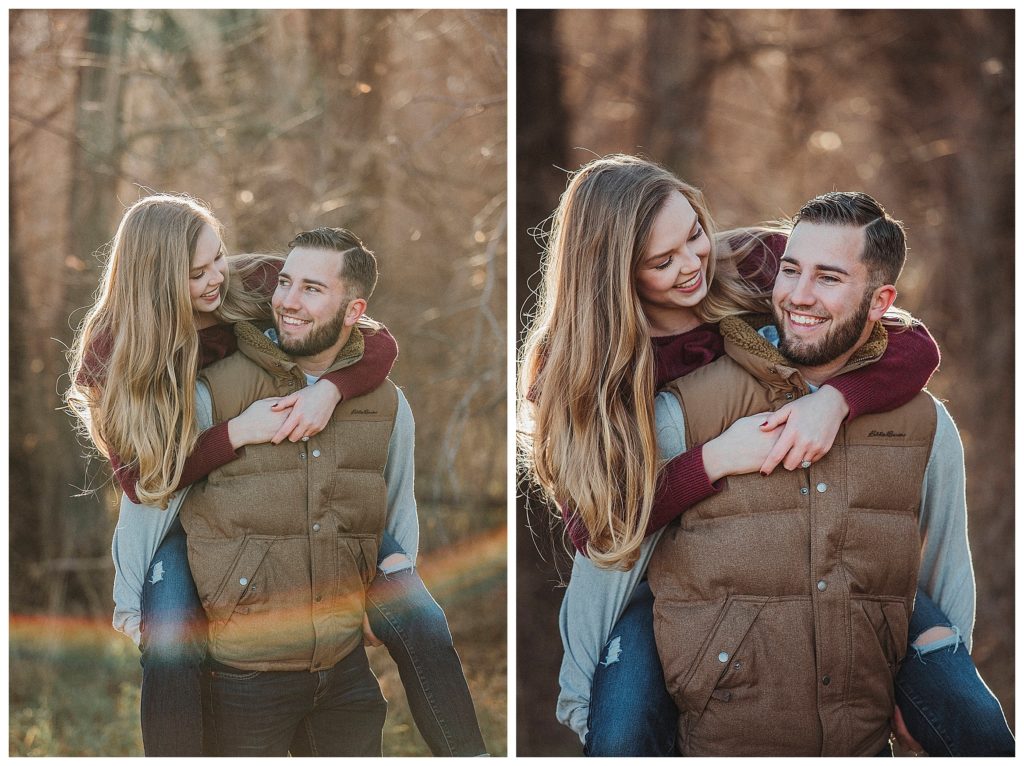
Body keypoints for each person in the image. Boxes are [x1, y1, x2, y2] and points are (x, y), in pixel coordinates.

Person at [517, 157, 1012, 755]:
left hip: (823, 545)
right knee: (621, 732)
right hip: (666, 574)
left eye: (694, 234)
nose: (692, 264)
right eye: (661, 261)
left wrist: (836, 401)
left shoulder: (756, 263)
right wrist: (715, 459)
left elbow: (908, 340)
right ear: (612, 275)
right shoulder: (580, 370)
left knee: (970, 717)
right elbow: (597, 529)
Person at [67, 196, 485, 756]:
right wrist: (237, 433)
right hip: (180, 510)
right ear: (156, 280)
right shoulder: (111, 351)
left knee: (415, 611)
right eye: (197, 273)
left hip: (293, 492)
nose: (217, 277)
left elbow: (375, 338)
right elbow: (144, 482)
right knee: (168, 643)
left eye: (217, 257)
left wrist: (330, 390)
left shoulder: (257, 282)